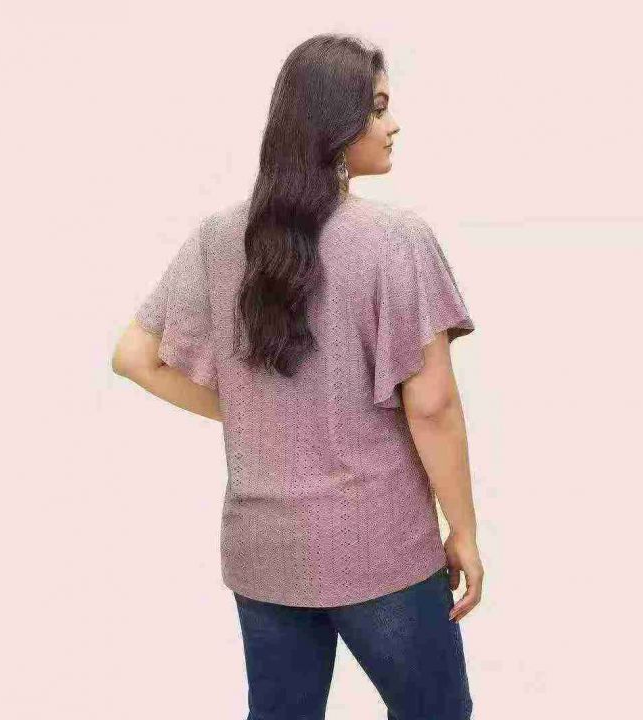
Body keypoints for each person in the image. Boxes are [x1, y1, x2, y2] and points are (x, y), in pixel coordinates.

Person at [112, 32, 483, 720]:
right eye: (377, 108)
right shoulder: (397, 240)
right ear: (334, 122)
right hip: (379, 548)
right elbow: (432, 407)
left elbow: (135, 356)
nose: (393, 124)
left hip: (263, 551)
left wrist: (252, 409)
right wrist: (463, 531)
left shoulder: (219, 237)